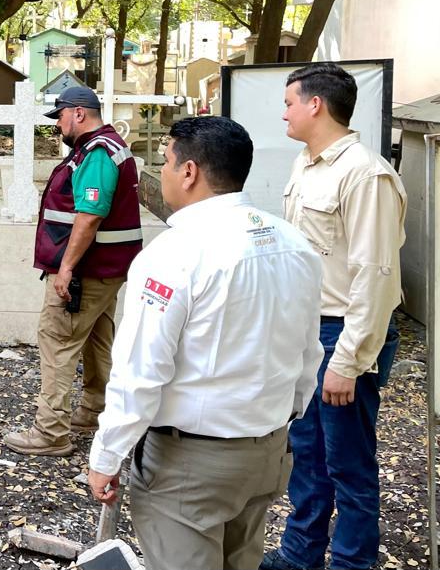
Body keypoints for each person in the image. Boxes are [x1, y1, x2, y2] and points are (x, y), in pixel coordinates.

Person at [87, 116, 323, 570]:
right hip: (266, 452)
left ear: (190, 171)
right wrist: (283, 422)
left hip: (190, 465)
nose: (164, 174)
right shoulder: (295, 244)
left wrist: (108, 454)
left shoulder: (173, 254)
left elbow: (140, 372)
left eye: (167, 163)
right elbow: (308, 353)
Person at [263, 63, 406, 570]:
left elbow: (377, 275)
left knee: (349, 464)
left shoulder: (365, 173)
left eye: (288, 103)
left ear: (315, 105)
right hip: (308, 331)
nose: (284, 112)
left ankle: (351, 563)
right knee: (307, 456)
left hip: (343, 331)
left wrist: (348, 359)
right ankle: (299, 556)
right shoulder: (306, 164)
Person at [4, 86, 143, 456]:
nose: (58, 125)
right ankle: (95, 411)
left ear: (79, 113)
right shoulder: (106, 147)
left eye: (60, 117)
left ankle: (50, 432)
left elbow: (90, 215)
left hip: (87, 271)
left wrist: (65, 268)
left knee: (57, 340)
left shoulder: (97, 154)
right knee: (97, 340)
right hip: (106, 270)